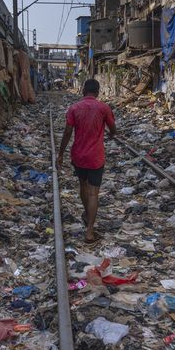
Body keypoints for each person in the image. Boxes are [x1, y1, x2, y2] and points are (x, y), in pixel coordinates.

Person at [57, 79, 116, 243]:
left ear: (83, 90)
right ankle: (90, 230)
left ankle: (87, 213)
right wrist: (110, 134)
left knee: (83, 186)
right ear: (97, 92)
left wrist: (60, 154)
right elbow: (113, 129)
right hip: (96, 157)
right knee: (94, 193)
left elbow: (68, 132)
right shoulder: (103, 108)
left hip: (79, 156)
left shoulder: (74, 108)